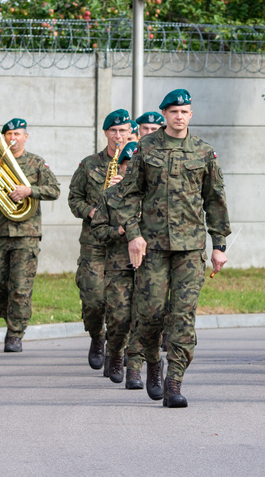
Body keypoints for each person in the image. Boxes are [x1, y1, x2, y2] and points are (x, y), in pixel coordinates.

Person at [122, 89, 231, 407]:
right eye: (173, 111)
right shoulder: (146, 147)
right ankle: (153, 361)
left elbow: (215, 199)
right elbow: (129, 194)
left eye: (184, 111)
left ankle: (174, 381)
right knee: (151, 314)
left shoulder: (203, 151)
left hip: (189, 248)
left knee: (182, 316)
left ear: (191, 115)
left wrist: (219, 244)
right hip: (153, 246)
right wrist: (133, 234)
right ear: (165, 115)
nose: (179, 116)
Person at [0, 118, 60, 352]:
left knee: (21, 286)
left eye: (17, 134)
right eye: (9, 134)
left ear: (25, 137)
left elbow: (55, 190)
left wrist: (30, 190)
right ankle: (11, 317)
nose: (13, 138)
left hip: (26, 235)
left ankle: (15, 333)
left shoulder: (36, 162)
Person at [68, 109, 133, 369]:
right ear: (106, 133)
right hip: (95, 241)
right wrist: (91, 211)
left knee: (124, 303)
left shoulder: (140, 163)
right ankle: (97, 336)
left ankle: (118, 351)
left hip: (126, 242)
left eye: (123, 131)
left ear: (130, 132)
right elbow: (74, 199)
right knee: (93, 299)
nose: (118, 136)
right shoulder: (89, 164)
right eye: (113, 131)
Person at [90, 141, 155, 391]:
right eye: (127, 165)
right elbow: (97, 230)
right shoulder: (110, 195)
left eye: (136, 166)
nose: (131, 170)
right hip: (118, 266)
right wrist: (118, 231)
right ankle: (115, 353)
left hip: (149, 267)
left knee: (145, 318)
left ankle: (135, 368)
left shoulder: (154, 196)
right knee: (118, 319)